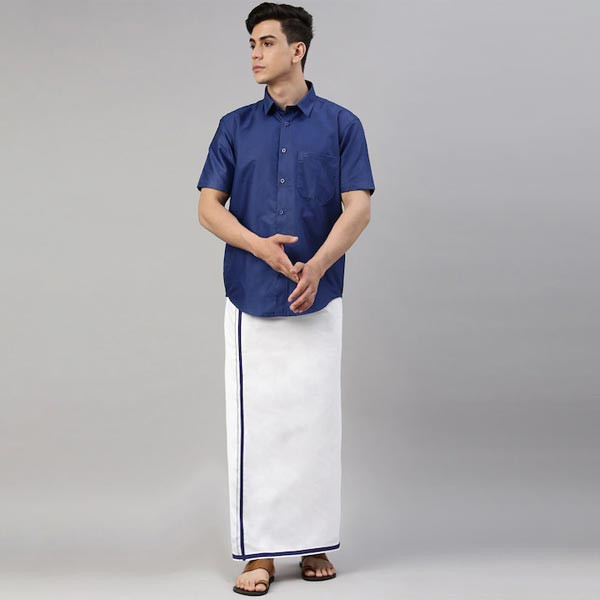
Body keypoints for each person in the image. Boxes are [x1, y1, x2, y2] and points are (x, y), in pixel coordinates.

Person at [196, 2, 375, 595]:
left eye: (266, 42)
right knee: (256, 425)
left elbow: (358, 207)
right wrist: (261, 249)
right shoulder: (233, 127)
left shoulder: (342, 125)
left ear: (297, 50)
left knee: (316, 423)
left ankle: (313, 541)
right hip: (250, 294)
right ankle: (262, 553)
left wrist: (317, 266)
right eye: (251, 43)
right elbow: (208, 208)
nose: (254, 53)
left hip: (317, 295)